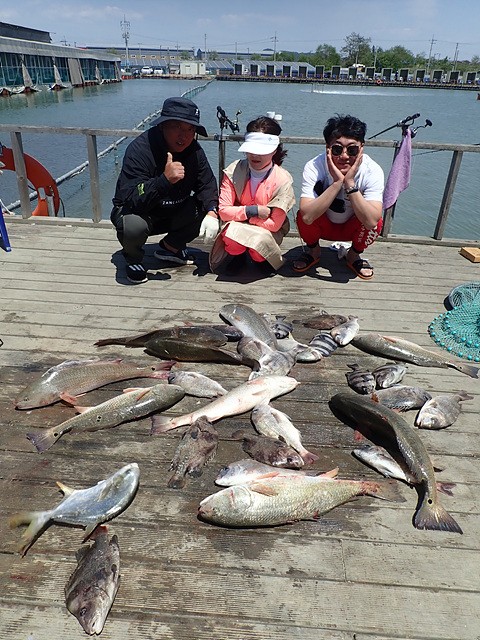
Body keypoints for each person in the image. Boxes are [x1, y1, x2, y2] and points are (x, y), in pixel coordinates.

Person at [111, 96, 219, 283]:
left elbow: (207, 184)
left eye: (190, 129)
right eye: (177, 127)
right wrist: (164, 181)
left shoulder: (195, 151)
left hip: (172, 210)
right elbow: (131, 198)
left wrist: (212, 211)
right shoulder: (140, 150)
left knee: (207, 205)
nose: (184, 136)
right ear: (162, 125)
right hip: (140, 212)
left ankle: (171, 247)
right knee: (134, 225)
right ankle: (133, 259)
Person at [293, 114, 384, 280]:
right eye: (337, 149)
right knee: (302, 213)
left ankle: (353, 255)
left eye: (352, 150)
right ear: (327, 148)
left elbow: (371, 222)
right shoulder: (314, 166)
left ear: (362, 148)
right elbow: (306, 217)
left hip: (353, 229)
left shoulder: (373, 170)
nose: (344, 156)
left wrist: (349, 184)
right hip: (324, 225)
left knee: (376, 220)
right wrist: (336, 183)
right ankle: (314, 251)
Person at [209, 115, 295, 275]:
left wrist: (244, 217)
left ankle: (260, 259)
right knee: (230, 236)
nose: (255, 155)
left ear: (274, 150)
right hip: (239, 225)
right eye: (251, 149)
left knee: (259, 243)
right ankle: (238, 257)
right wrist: (254, 211)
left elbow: (275, 224)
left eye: (261, 150)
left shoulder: (283, 179)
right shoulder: (234, 170)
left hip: (265, 231)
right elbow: (223, 211)